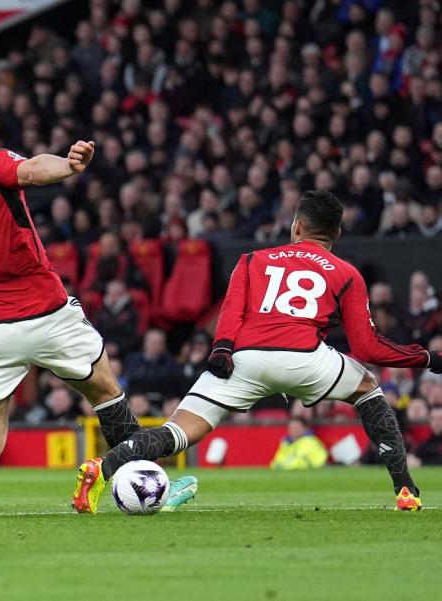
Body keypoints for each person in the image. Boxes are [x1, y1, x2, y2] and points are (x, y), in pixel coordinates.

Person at [0, 101, 194, 517]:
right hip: (47, 314)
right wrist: (69, 165)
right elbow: (31, 170)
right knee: (105, 393)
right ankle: (142, 480)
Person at [74, 190, 442, 513]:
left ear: (296, 226)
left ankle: (101, 468)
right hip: (305, 358)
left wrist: (221, 349)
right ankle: (405, 489)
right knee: (368, 388)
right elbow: (367, 347)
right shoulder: (346, 273)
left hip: (244, 359)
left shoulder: (253, 259)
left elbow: (231, 310)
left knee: (179, 430)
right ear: (338, 234)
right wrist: (425, 358)